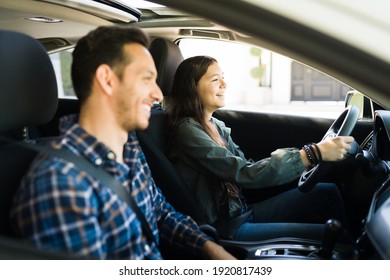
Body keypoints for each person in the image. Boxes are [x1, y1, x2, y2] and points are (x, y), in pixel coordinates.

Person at [10, 27, 235, 260]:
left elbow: (160, 214)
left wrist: (211, 249)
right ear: (107, 80)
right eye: (146, 79)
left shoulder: (130, 149)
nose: (158, 94)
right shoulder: (61, 183)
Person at [166, 55, 355, 241]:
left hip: (241, 211)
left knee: (327, 192)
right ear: (192, 87)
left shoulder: (214, 124)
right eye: (215, 80)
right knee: (334, 237)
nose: (224, 84)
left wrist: (302, 158)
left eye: (223, 77)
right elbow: (244, 172)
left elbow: (247, 165)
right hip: (226, 226)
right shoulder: (188, 130)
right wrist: (312, 154)